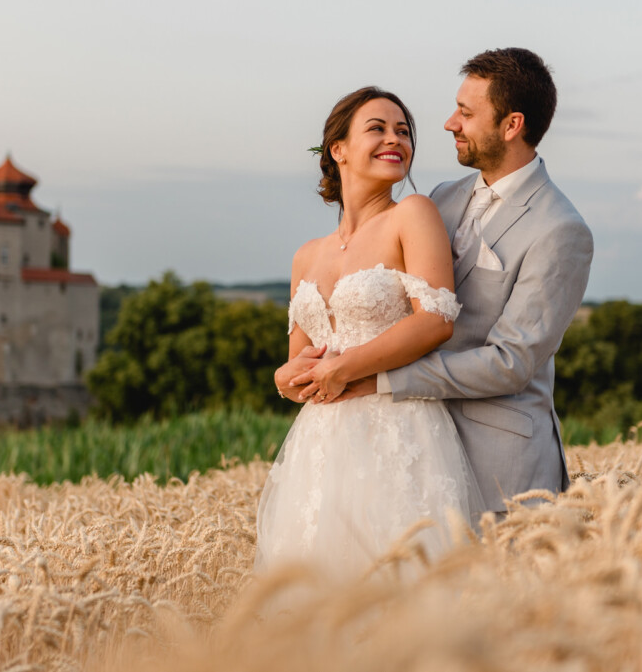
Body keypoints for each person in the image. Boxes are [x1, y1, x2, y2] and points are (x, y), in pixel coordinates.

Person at [279, 48, 593, 513]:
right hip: (402, 445)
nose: (449, 123)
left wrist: (377, 380)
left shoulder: (560, 230)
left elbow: (510, 362)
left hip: (499, 461)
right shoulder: (443, 198)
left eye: (466, 113)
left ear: (511, 126)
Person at [254, 86, 484, 580]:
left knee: (398, 585)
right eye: (377, 128)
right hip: (319, 448)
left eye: (403, 131)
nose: (394, 139)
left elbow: (436, 320)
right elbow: (300, 359)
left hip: (398, 431)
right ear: (337, 149)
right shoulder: (305, 255)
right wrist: (284, 378)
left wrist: (344, 368)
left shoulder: (412, 214)